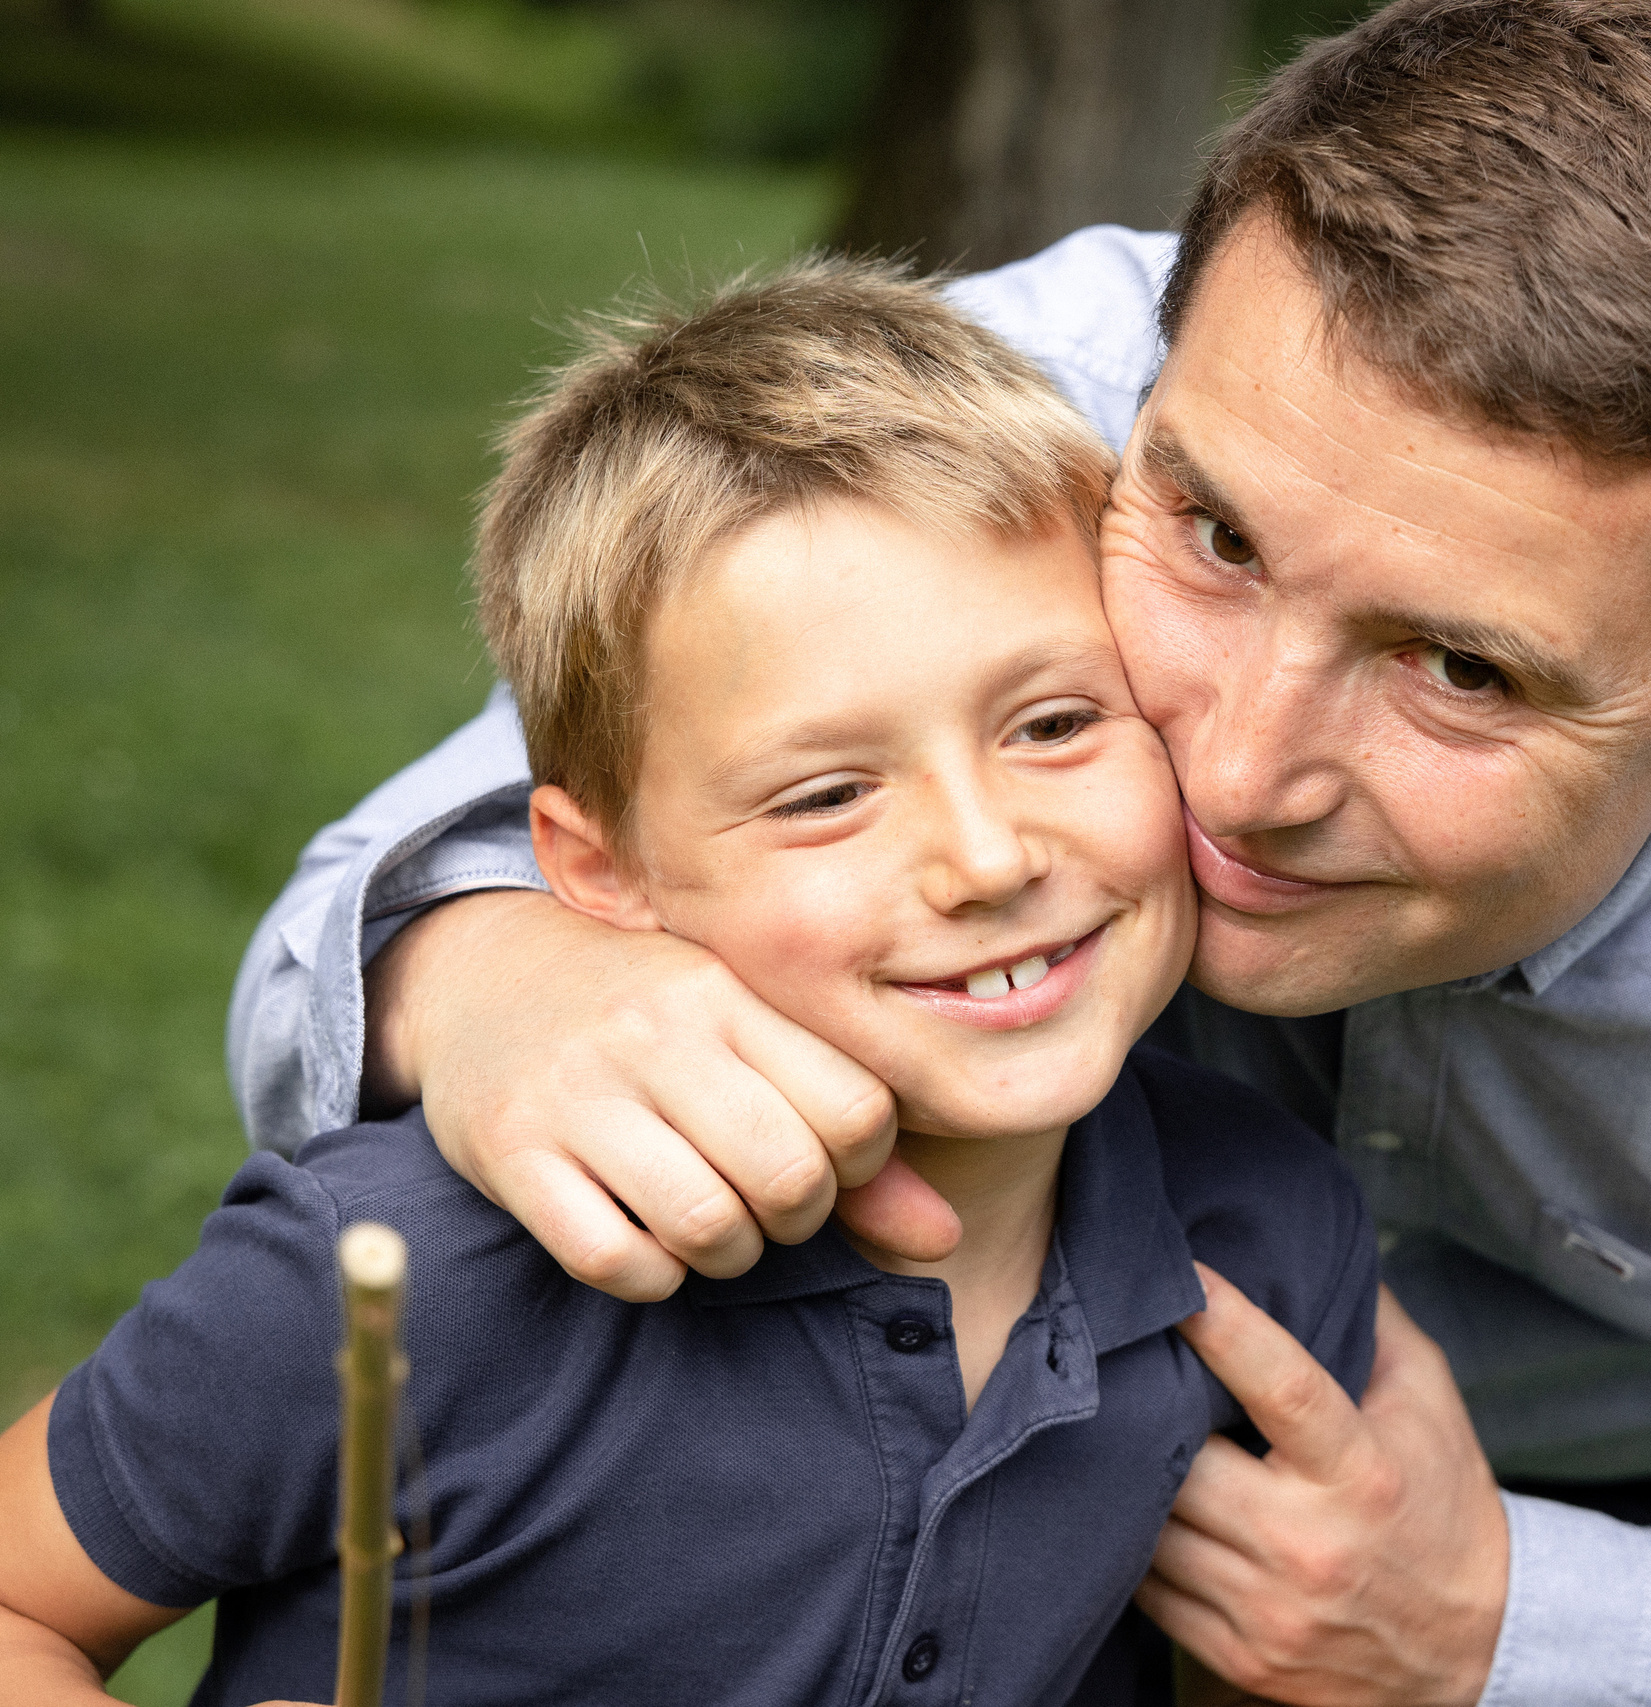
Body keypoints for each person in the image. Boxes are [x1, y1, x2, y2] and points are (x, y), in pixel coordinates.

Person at [226, 2, 1651, 1703]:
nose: (1233, 771)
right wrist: (489, 963)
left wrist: (1503, 1621)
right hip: (987, 1376)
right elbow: (367, 920)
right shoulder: (993, 420)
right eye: (1217, 537)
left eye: (1459, 672)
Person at [0, 260, 1376, 1707]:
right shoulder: (400, 1279)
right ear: (601, 871)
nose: (984, 855)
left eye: (1051, 722)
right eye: (827, 794)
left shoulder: (1269, 1235)